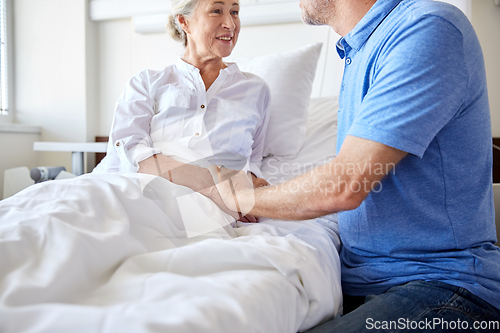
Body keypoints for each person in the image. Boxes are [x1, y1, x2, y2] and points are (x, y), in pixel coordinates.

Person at [211, 0, 500, 331]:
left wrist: (241, 197)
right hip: (366, 285)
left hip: (446, 287)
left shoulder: (426, 27)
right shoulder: (362, 48)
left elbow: (343, 185)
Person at [94, 0, 270, 221]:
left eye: (235, 12)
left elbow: (252, 162)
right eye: (217, 11)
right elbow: (130, 154)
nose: (230, 23)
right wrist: (213, 185)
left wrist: (253, 192)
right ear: (184, 22)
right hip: (131, 194)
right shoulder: (146, 83)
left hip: (205, 214)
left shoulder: (256, 90)